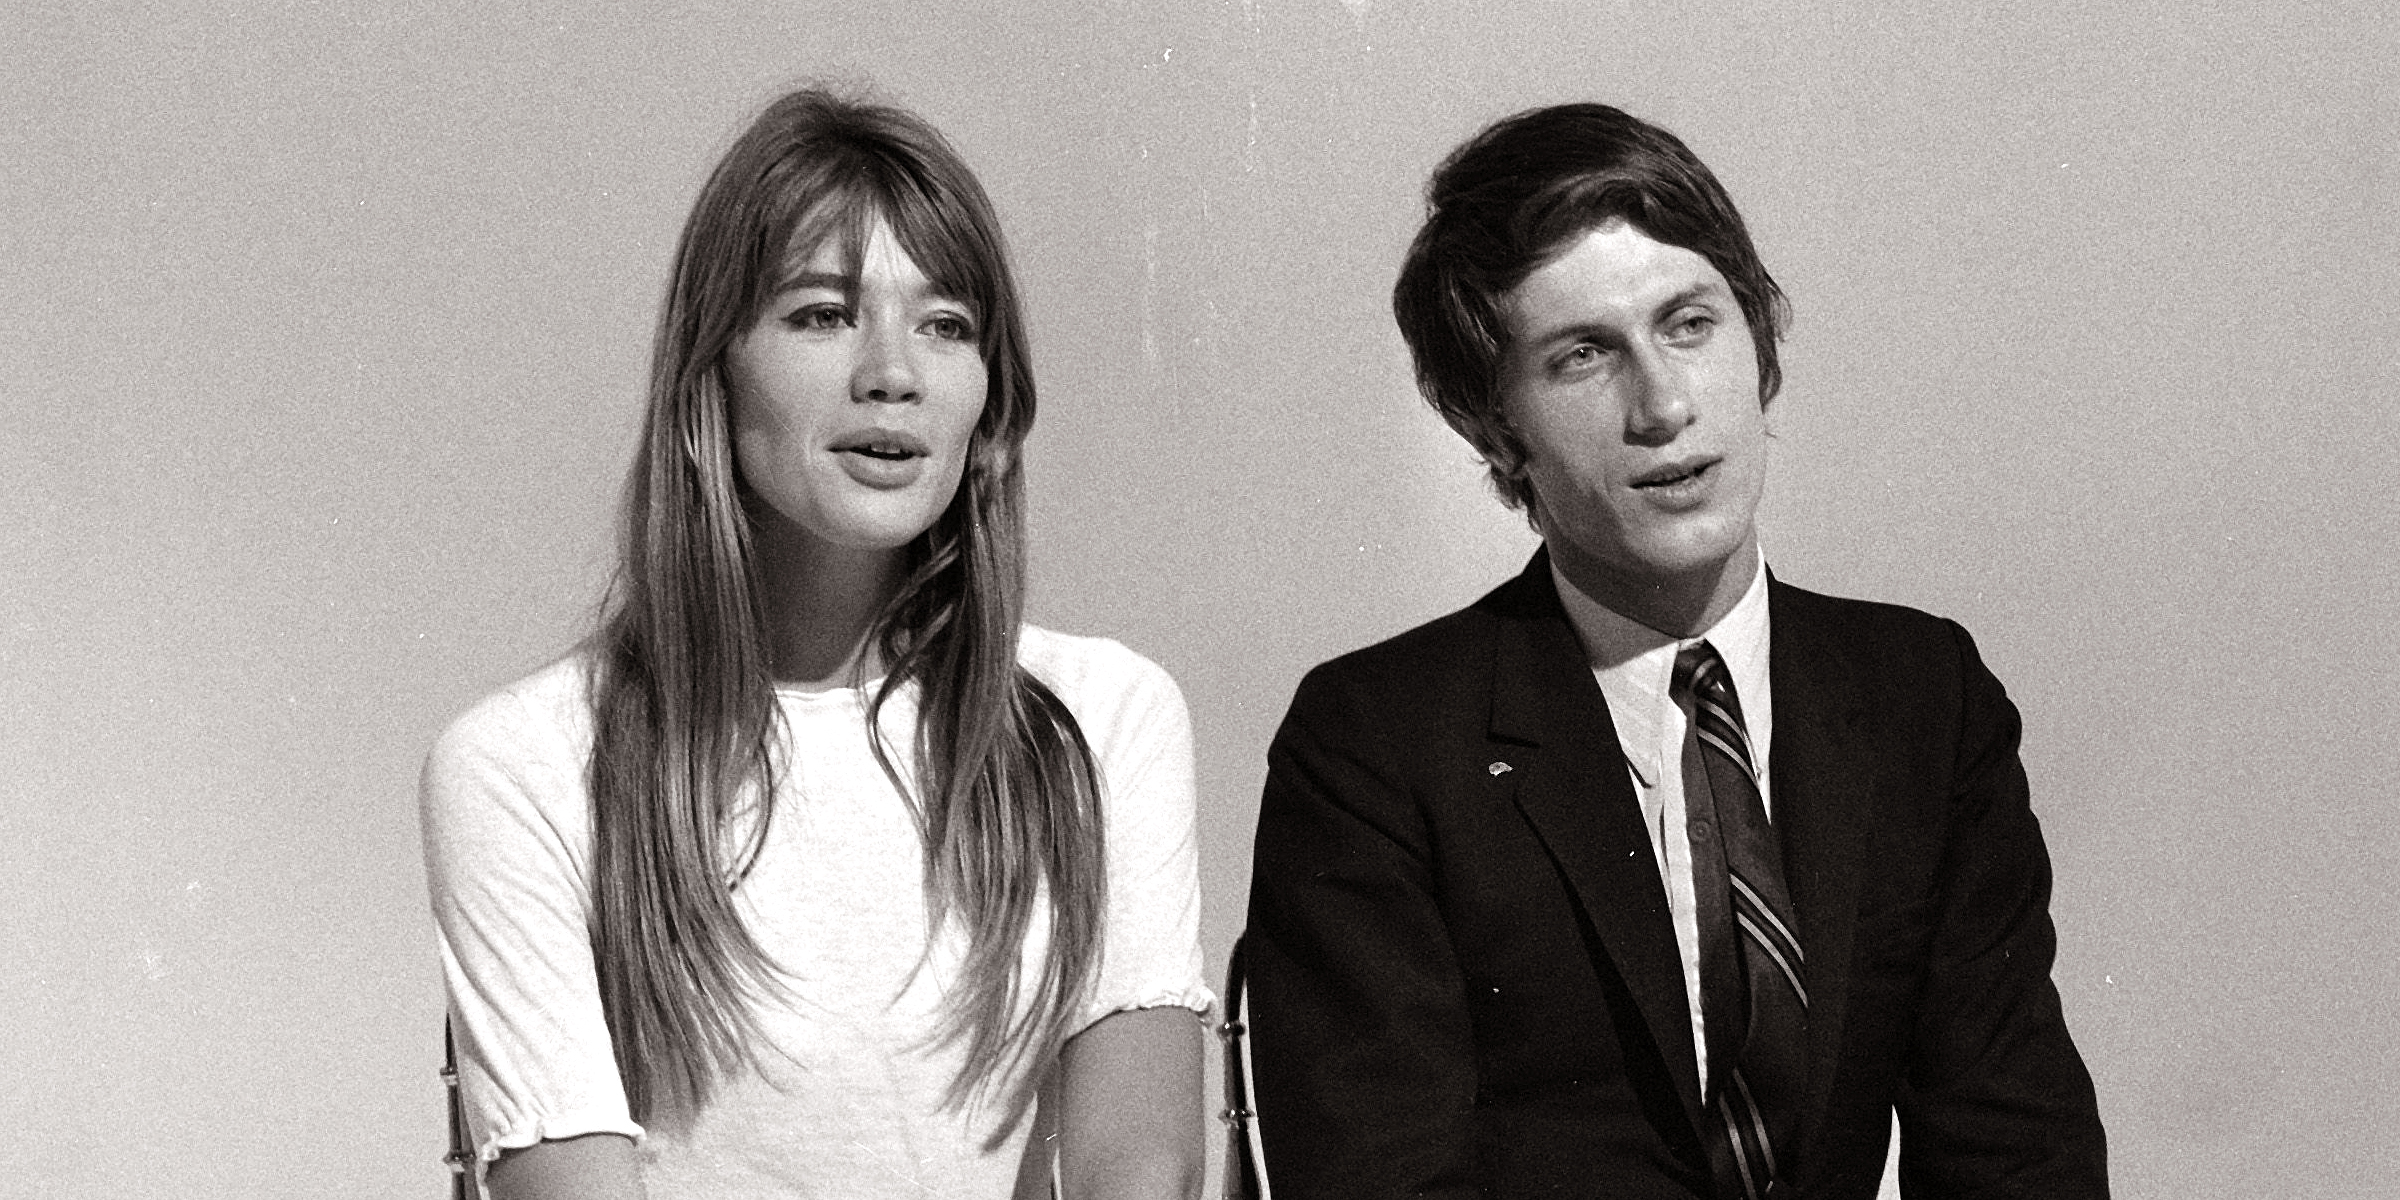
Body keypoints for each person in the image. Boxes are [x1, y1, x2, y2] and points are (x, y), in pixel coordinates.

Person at [1242, 103, 2107, 1198]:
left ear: (1760, 343)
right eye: (1583, 357)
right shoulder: (1378, 741)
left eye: (1690, 324)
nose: (1663, 404)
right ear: (1494, 427)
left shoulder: (1920, 699)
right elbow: (1381, 1178)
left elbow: (2017, 1152)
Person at [421, 88, 1211, 1200]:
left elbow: (1144, 1167)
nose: (894, 371)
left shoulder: (1104, 714)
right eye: (822, 314)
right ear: (715, 369)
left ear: (988, 397)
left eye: (946, 324)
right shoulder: (524, 764)